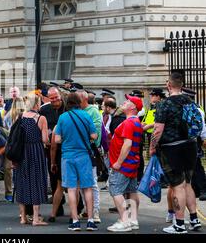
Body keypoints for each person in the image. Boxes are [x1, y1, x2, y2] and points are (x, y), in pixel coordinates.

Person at [150, 72, 202, 233]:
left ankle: (179, 224)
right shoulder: (189, 101)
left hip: (172, 148)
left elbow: (158, 130)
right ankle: (194, 219)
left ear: (169, 85)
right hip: (190, 146)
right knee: (187, 183)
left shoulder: (164, 104)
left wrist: (152, 147)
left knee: (177, 186)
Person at [54, 93, 98, 231]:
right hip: (84, 156)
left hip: (67, 156)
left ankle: (75, 221)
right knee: (87, 188)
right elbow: (94, 135)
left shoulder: (62, 117)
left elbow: (57, 140)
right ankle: (91, 220)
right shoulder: (86, 115)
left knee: (72, 189)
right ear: (79, 102)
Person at [107, 95, 143, 232]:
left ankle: (125, 220)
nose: (124, 102)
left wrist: (118, 162)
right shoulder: (135, 122)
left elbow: (127, 144)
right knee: (131, 191)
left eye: (128, 101)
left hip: (123, 164)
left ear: (133, 107)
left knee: (116, 190)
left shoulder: (129, 123)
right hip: (132, 163)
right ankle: (132, 219)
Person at [15, 93, 49, 226]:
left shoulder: (20, 117)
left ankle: (23, 217)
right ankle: (35, 218)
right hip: (36, 151)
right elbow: (45, 139)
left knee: (22, 182)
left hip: (22, 152)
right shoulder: (41, 118)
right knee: (36, 181)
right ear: (36, 104)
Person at [39, 87, 66, 219]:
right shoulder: (44, 110)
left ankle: (78, 206)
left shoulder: (67, 108)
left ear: (60, 96)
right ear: (48, 98)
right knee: (54, 177)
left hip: (65, 148)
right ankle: (58, 206)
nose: (55, 100)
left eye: (56, 97)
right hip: (49, 148)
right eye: (52, 98)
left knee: (70, 180)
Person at [77, 90, 102, 223]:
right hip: (78, 151)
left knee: (92, 183)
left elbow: (96, 134)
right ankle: (87, 209)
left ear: (84, 100)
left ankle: (95, 211)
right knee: (81, 184)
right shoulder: (78, 111)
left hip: (89, 151)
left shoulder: (93, 112)